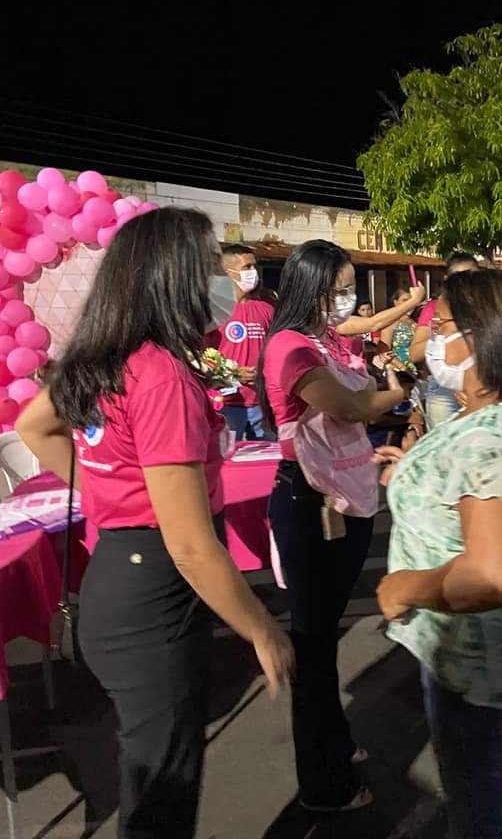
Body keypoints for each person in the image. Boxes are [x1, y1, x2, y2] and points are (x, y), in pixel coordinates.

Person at [16, 208, 293, 839]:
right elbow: (192, 545)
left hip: (119, 575)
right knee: (162, 797)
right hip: (154, 595)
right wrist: (262, 631)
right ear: (173, 276)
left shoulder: (107, 356)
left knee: (150, 776)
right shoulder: (162, 372)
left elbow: (35, 426)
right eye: (208, 263)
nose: (221, 277)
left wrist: (111, 492)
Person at [377, 269, 502, 838]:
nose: (429, 338)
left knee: (480, 810)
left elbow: (491, 574)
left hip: (471, 657)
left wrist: (402, 588)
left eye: (442, 325)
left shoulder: (492, 438)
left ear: (481, 339)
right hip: (491, 653)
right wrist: (413, 473)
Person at [256, 239, 409, 813]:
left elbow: (360, 392)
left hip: (345, 495)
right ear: (309, 287)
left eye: (349, 284)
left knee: (324, 639)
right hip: (307, 500)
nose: (348, 295)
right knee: (313, 646)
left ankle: (336, 744)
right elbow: (350, 407)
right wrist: (395, 392)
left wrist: (376, 388)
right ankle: (322, 785)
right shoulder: (290, 347)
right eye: (339, 285)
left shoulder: (330, 341)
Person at [206, 243, 273, 439]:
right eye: (247, 268)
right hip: (226, 404)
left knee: (266, 462)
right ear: (228, 272)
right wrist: (233, 374)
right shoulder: (212, 309)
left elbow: (277, 350)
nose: (253, 272)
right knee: (228, 462)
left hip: (262, 403)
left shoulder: (267, 309)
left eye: (254, 266)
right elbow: (199, 356)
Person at [409, 252, 481, 429]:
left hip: (482, 389)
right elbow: (414, 354)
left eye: (471, 277)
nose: (464, 285)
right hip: (444, 392)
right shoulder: (435, 308)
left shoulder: (489, 306)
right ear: (447, 279)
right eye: (458, 278)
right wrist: (441, 336)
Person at [378, 288, 417, 370]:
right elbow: (384, 352)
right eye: (405, 300)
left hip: (417, 371)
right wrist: (403, 368)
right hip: (399, 371)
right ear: (396, 302)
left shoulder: (416, 322)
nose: (409, 304)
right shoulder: (390, 323)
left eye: (412, 300)